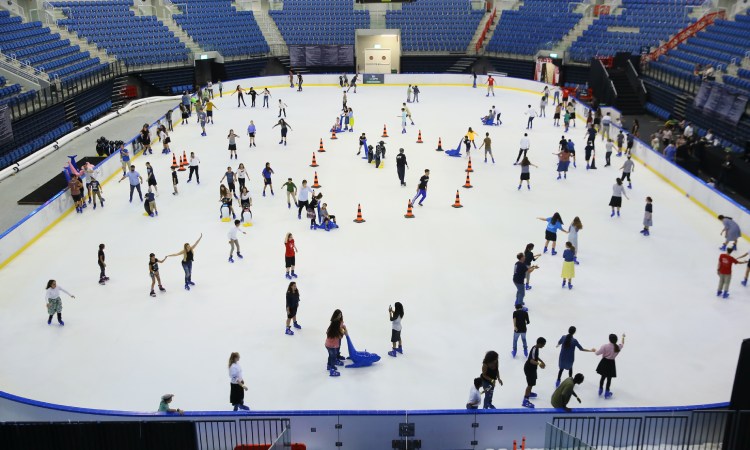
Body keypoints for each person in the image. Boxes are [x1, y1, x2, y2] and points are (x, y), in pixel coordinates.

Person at [596, 333, 625, 399]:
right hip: (611, 363)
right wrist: (623, 337)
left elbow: (597, 353)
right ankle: (607, 392)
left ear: (609, 339)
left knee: (603, 377)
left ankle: (600, 390)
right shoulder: (618, 347)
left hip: (604, 362)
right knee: (609, 379)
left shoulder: (605, 346)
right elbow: (622, 344)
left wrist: (594, 350)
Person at [522, 337, 546, 408]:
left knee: (532, 382)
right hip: (529, 369)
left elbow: (536, 357)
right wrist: (539, 364)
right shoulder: (534, 349)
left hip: (532, 369)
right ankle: (525, 400)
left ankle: (528, 393)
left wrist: (542, 361)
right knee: (529, 384)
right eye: (543, 344)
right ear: (539, 344)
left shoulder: (536, 348)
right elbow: (531, 361)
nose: (543, 346)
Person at [325, 310, 347, 377]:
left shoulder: (336, 324)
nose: (340, 316)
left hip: (328, 345)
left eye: (340, 315)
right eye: (338, 315)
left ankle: (329, 366)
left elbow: (341, 325)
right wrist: (344, 332)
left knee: (330, 356)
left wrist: (343, 328)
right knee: (333, 357)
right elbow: (340, 336)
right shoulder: (335, 328)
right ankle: (332, 370)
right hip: (332, 346)